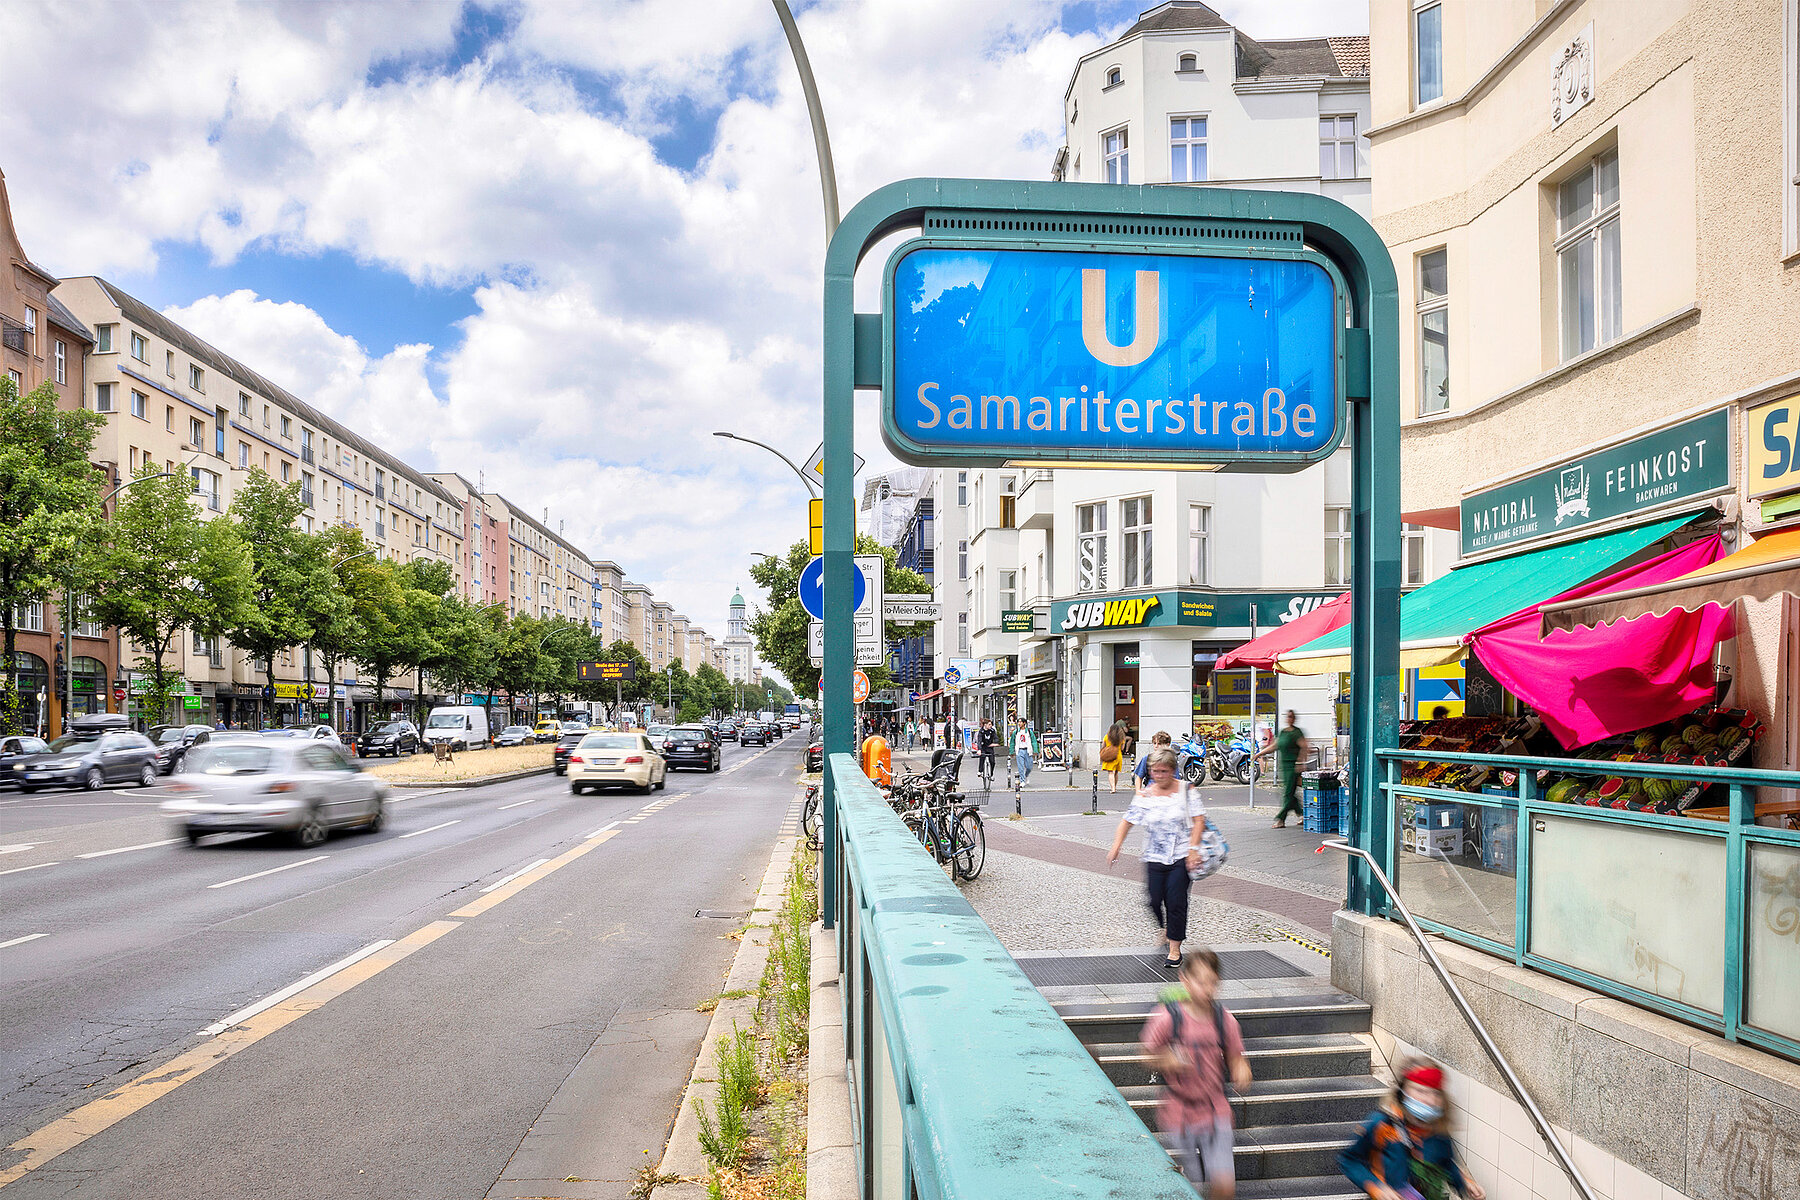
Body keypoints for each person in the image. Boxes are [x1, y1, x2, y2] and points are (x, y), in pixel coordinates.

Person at [1140, 948, 1252, 1196]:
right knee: (1191, 1187)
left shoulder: (1225, 1021)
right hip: (1179, 1113)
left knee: (1224, 1185)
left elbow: (1236, 1057)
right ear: (1185, 980)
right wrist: (1166, 1059)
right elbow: (1147, 1053)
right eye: (1200, 982)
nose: (1206, 989)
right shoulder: (1168, 1017)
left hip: (1215, 1110)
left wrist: (1241, 1070)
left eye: (1212, 982)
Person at [1106, 747, 1205, 967]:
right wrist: (1116, 845)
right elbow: (1127, 821)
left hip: (1181, 856)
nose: (1158, 776)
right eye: (1154, 771)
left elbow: (1199, 820)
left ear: (1172, 770)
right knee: (1153, 899)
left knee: (1176, 901)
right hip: (1154, 856)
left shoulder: (1186, 790)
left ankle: (1174, 949)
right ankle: (1166, 928)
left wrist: (1193, 848)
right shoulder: (1146, 795)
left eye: (1163, 771)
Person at [1339, 1059, 1485, 1200]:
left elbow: (1445, 1162)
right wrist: (1378, 1188)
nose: (1429, 1100)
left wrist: (1465, 1182)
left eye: (1435, 1093)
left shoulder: (1439, 1130)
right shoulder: (1382, 1123)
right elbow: (1349, 1160)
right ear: (1403, 1092)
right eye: (1420, 1091)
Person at [1261, 710, 1310, 829]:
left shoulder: (1297, 733)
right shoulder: (1283, 732)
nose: (1289, 719)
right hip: (1284, 767)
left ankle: (1280, 819)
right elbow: (1274, 746)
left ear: (1294, 719)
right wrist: (1259, 754)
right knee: (1290, 793)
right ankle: (1303, 815)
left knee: (1288, 793)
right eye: (1288, 717)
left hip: (1294, 767)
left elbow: (1304, 747)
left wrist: (1300, 762)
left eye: (1291, 717)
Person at [1100, 718, 1133, 793]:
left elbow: (1103, 745)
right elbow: (1122, 748)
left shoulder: (1106, 737)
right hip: (1118, 756)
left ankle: (1113, 788)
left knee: (1110, 772)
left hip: (1110, 755)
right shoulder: (1121, 738)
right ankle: (1115, 787)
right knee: (1116, 772)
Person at [976, 717, 999, 783]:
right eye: (989, 724)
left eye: (991, 724)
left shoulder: (992, 731)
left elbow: (996, 738)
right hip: (983, 747)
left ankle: (991, 774)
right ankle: (980, 771)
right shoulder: (981, 731)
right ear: (985, 725)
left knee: (992, 762)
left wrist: (995, 743)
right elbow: (979, 741)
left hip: (990, 747)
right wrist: (979, 749)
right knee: (982, 757)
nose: (990, 726)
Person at [1013, 720, 1036, 785]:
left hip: (1027, 750)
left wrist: (1035, 750)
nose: (1019, 723)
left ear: (1024, 723)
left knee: (1029, 766)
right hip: (1019, 750)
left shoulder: (1029, 731)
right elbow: (1012, 741)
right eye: (1018, 722)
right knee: (1020, 767)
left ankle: (1026, 775)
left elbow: (1034, 741)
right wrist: (1012, 751)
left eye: (1020, 722)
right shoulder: (1016, 732)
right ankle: (1022, 781)